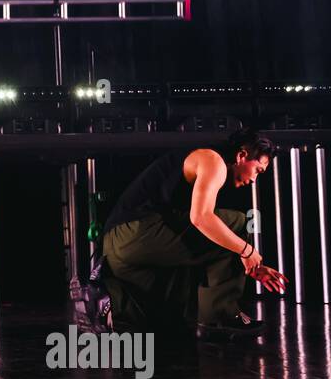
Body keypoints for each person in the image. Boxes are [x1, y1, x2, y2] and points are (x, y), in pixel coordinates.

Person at [99, 128, 288, 338]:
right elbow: (201, 219)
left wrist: (250, 262)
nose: (254, 179)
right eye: (258, 170)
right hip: (134, 234)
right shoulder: (212, 160)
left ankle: (112, 310)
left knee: (172, 317)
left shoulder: (206, 166)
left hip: (117, 249)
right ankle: (220, 317)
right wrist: (247, 250)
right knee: (238, 222)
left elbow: (212, 235)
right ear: (242, 155)